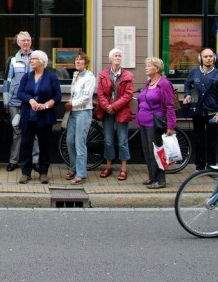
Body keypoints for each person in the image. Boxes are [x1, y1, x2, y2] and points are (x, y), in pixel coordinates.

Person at [16, 50, 61, 184]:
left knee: (44, 145)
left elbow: (57, 97)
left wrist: (46, 105)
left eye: (34, 58)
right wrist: (30, 100)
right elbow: (20, 93)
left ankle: (43, 172)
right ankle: (26, 172)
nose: (31, 61)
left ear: (42, 61)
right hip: (28, 116)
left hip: (45, 116)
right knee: (26, 144)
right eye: (31, 59)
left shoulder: (51, 77)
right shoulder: (27, 76)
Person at [183, 47, 218, 170]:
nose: (208, 59)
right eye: (205, 56)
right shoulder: (194, 72)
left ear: (214, 58)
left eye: (210, 56)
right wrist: (187, 95)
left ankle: (211, 166)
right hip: (197, 112)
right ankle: (200, 166)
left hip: (212, 113)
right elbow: (187, 85)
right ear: (200, 58)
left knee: (211, 141)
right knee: (199, 140)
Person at [136, 57, 177, 189]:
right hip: (144, 121)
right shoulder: (148, 83)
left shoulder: (164, 84)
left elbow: (170, 106)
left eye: (149, 66)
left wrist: (171, 126)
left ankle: (160, 179)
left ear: (157, 69)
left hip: (155, 122)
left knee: (157, 151)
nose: (146, 68)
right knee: (147, 151)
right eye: (146, 65)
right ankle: (152, 177)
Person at [94, 48, 135, 181]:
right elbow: (100, 93)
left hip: (121, 111)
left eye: (119, 56)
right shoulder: (103, 74)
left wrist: (114, 106)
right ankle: (108, 166)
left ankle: (123, 169)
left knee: (122, 140)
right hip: (107, 112)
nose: (118, 58)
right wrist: (107, 106)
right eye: (115, 56)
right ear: (110, 59)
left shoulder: (127, 75)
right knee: (108, 140)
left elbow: (128, 94)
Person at [2, 31, 39, 172]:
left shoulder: (37, 57)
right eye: (23, 40)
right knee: (16, 132)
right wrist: (6, 103)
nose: (26, 43)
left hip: (34, 102)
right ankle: (13, 161)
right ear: (18, 43)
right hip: (16, 102)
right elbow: (7, 82)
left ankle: (35, 161)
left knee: (34, 133)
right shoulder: (12, 60)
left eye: (28, 40)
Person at [63, 52, 96, 184]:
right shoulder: (75, 75)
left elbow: (87, 97)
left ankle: (81, 174)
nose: (78, 61)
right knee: (70, 141)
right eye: (76, 59)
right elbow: (75, 94)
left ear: (86, 63)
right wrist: (71, 103)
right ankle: (74, 168)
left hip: (83, 112)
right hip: (73, 112)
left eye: (81, 60)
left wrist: (72, 103)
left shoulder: (89, 77)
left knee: (79, 144)